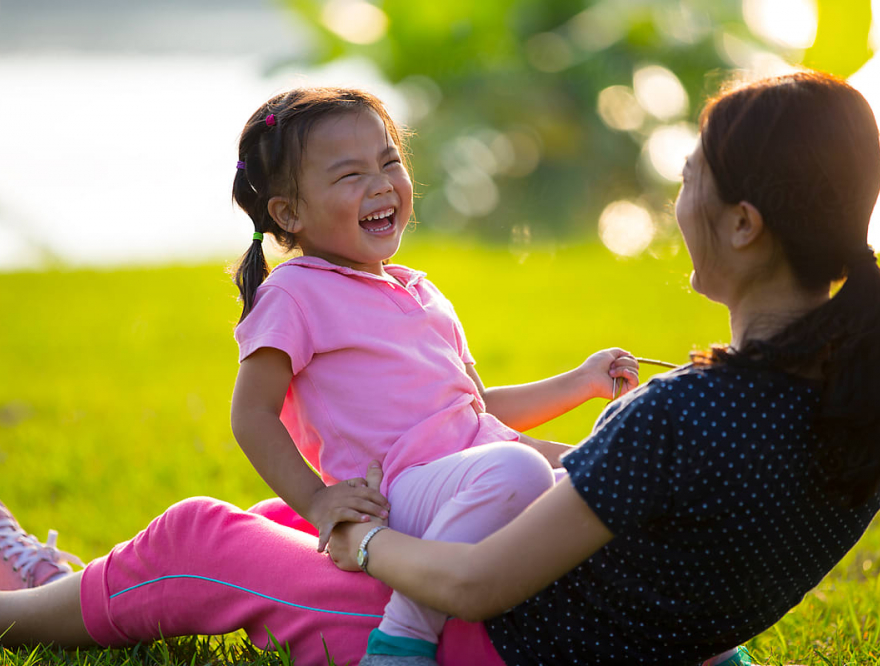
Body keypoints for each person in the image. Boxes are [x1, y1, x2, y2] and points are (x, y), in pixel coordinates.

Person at [0, 70, 880, 665]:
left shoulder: (687, 414)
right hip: (592, 622)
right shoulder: (855, 409)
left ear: (743, 224)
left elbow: (477, 583)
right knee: (271, 518)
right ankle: (63, 584)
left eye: (691, 177)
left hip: (489, 637)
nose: (677, 198)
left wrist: (349, 538)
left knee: (202, 537)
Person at [226, 87, 638, 663]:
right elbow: (251, 414)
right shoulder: (295, 294)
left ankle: (706, 646)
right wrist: (319, 503)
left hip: (478, 468)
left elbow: (476, 411)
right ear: (289, 212)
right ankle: (403, 636)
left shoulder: (421, 291)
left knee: (620, 477)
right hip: (400, 489)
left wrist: (583, 381)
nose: (379, 183)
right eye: (349, 175)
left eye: (389, 160)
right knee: (517, 469)